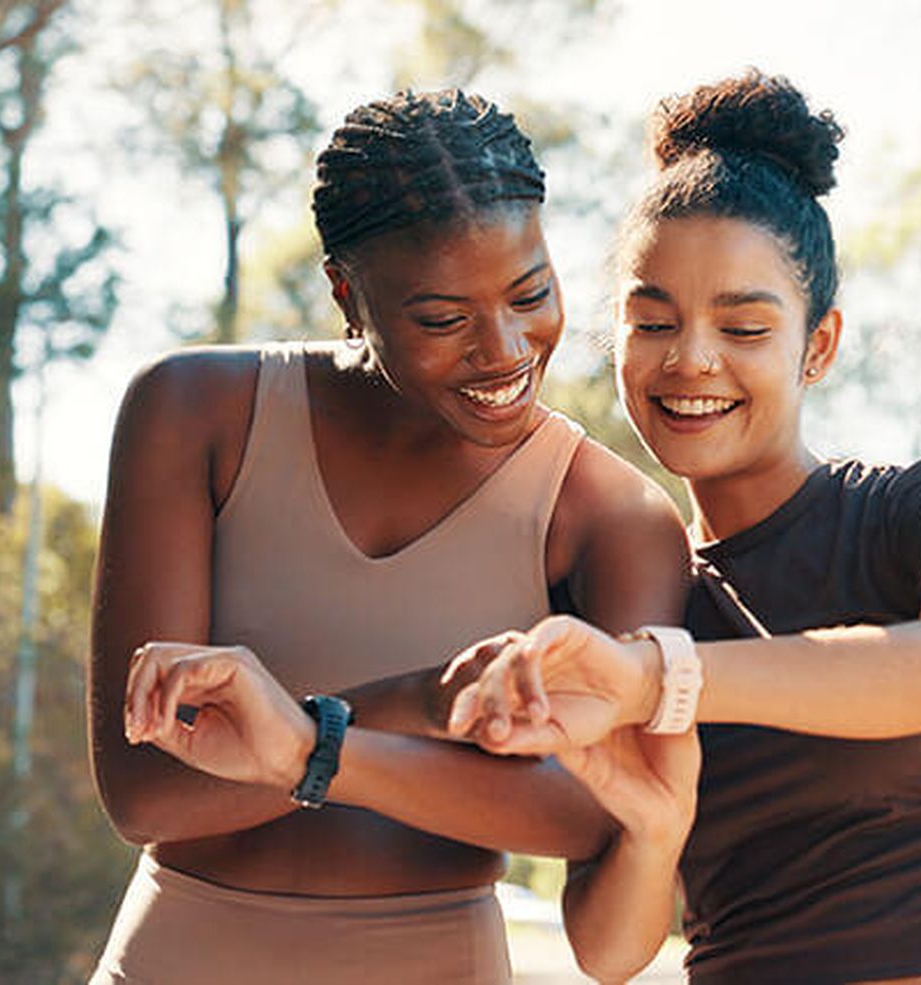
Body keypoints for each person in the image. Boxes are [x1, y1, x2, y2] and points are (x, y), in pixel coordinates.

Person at [129, 72, 921, 984]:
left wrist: (653, 678)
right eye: (652, 320)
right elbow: (610, 949)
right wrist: (654, 824)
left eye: (745, 327)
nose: (691, 359)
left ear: (821, 344)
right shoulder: (647, 590)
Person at [87, 88, 689, 985]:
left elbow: (585, 817)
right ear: (347, 292)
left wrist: (307, 739)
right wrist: (417, 703)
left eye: (532, 293)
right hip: (179, 955)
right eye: (443, 320)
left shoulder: (612, 517)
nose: (505, 349)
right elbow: (147, 791)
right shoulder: (194, 415)